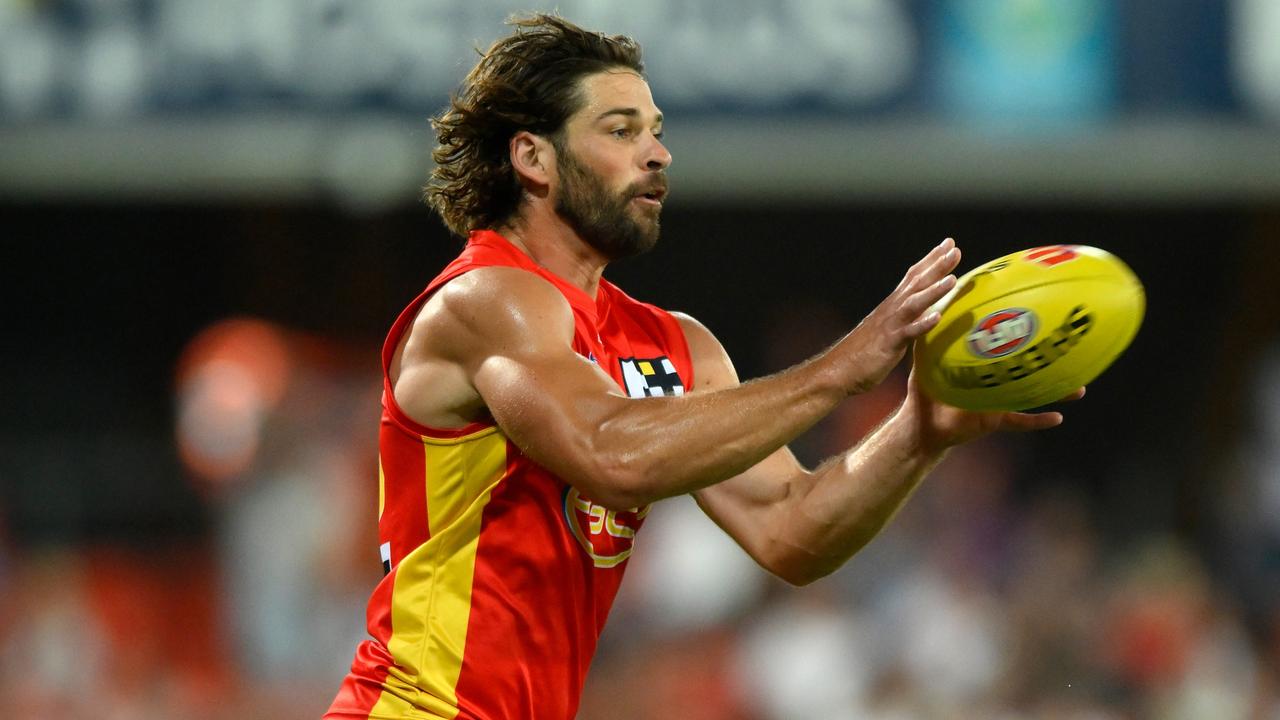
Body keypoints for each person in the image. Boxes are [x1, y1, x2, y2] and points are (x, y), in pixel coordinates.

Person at [324, 13, 1079, 720]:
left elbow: (794, 530)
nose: (657, 154)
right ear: (532, 157)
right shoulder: (485, 299)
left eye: (656, 131)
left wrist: (918, 431)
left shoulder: (673, 346)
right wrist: (844, 368)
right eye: (620, 130)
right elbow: (610, 454)